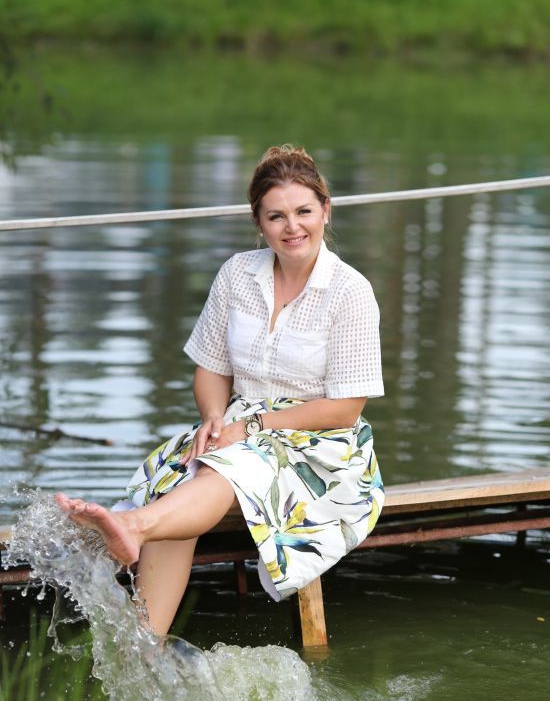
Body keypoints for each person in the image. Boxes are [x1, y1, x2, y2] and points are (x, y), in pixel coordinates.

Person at [56, 144, 385, 636]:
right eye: (276, 216)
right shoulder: (237, 274)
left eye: (303, 212)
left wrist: (251, 427)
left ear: (325, 211)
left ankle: (133, 526)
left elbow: (344, 409)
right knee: (182, 480)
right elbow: (211, 370)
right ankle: (146, 647)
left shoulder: (350, 291)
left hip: (321, 447)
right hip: (238, 426)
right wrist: (213, 416)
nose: (292, 227)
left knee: (227, 467)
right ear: (259, 222)